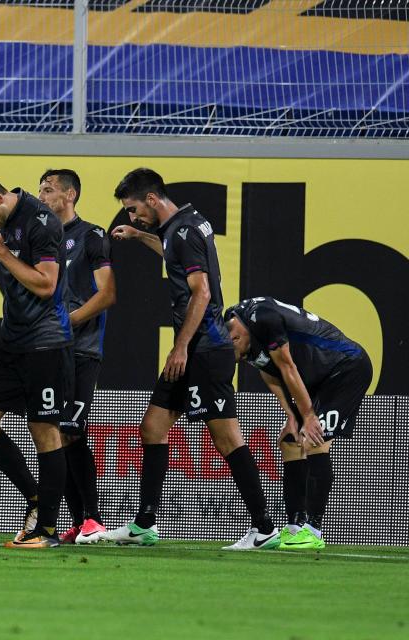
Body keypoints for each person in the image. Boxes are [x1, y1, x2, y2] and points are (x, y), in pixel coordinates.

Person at [106, 167, 278, 550]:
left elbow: (201, 294)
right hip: (194, 348)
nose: (132, 217)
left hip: (204, 348)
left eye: (134, 211)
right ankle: (145, 524)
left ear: (151, 199)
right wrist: (139, 236)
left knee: (226, 436)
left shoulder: (182, 233)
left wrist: (181, 345)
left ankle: (264, 528)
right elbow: (173, 254)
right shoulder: (186, 222)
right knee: (152, 427)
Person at [0, 173, 73, 549]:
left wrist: (0, 252)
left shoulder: (42, 222)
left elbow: (46, 285)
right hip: (12, 342)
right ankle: (36, 496)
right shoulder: (1, 225)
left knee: (44, 431)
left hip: (46, 342)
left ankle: (48, 529)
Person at [225, 297, 372, 549]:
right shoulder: (236, 324)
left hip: (346, 367)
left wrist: (309, 416)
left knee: (315, 439)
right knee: (291, 442)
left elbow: (287, 367)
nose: (238, 359)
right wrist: (292, 416)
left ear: (236, 337)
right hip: (318, 378)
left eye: (236, 354)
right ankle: (295, 527)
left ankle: (313, 530)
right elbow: (269, 371)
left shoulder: (264, 318)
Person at [37, 169, 116, 545]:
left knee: (71, 431)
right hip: (50, 350)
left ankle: (93, 519)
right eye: (40, 189)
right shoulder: (44, 238)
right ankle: (79, 521)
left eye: (48, 189)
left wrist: (68, 322)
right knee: (57, 434)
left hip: (82, 350)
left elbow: (107, 294)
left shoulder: (91, 236)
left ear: (69, 195)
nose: (42, 195)